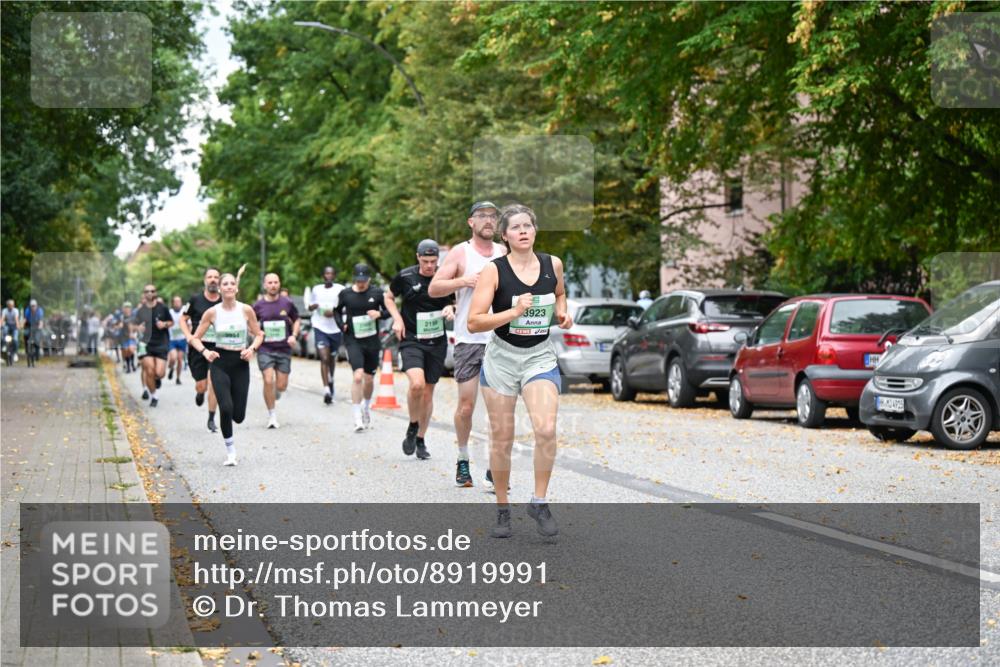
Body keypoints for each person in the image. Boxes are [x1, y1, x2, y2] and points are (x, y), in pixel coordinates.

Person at [468, 204, 573, 539]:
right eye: (515, 227)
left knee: (546, 429)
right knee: (502, 438)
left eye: (528, 225)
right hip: (502, 358)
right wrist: (513, 313)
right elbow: (474, 321)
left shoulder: (552, 264)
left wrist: (562, 313)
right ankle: (502, 509)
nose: (523, 231)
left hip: (539, 356)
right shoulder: (494, 271)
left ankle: (539, 502)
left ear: (535, 230)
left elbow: (559, 293)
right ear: (505, 236)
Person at [429, 201, 507, 488]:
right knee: (466, 406)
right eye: (482, 216)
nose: (488, 220)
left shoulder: (504, 252)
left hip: (499, 340)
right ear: (471, 222)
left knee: (498, 408)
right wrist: (464, 280)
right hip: (468, 340)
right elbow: (434, 287)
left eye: (493, 216)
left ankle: (494, 467)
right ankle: (463, 458)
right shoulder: (460, 252)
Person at [384, 240, 456, 462]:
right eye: (425, 261)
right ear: (417, 257)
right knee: (417, 384)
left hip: (437, 342)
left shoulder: (445, 278)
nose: (429, 266)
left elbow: (459, 302)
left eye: (433, 261)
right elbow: (388, 296)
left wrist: (451, 307)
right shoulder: (406, 276)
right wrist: (397, 319)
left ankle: (421, 439)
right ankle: (413, 425)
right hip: (412, 340)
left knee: (427, 392)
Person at [189, 267, 264, 466]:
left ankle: (231, 429)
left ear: (236, 288)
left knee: (238, 416)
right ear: (220, 289)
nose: (229, 286)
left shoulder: (246, 310)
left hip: (240, 364)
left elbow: (259, 334)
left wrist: (252, 349)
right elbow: (195, 338)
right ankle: (231, 452)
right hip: (220, 362)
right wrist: (205, 352)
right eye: (225, 284)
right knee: (226, 407)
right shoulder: (212, 312)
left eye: (232, 283)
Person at [334, 263, 390, 433]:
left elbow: (391, 310)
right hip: (353, 340)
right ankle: (357, 416)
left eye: (364, 281)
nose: (361, 284)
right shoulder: (345, 294)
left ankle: (366, 405)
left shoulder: (377, 293)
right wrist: (341, 325)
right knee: (358, 376)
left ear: (369, 279)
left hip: (372, 341)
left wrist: (379, 314)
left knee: (369, 379)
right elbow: (336, 311)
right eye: (358, 281)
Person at [252, 273, 300, 429]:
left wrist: (293, 335)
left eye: (275, 282)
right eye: (270, 282)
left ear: (279, 284)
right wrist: (256, 333)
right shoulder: (258, 305)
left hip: (283, 349)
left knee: (281, 386)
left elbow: (297, 319)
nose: (273, 285)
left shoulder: (287, 303)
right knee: (268, 380)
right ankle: (272, 415)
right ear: (265, 285)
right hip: (265, 349)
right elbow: (250, 322)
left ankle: (276, 391)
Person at [180, 268, 222, 432]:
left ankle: (211, 418)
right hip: (198, 348)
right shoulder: (195, 300)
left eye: (216, 277)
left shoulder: (225, 301)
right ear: (205, 280)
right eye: (210, 277)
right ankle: (200, 392)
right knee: (202, 386)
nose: (213, 279)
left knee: (214, 383)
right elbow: (183, 319)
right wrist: (188, 336)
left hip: (217, 348)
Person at [305, 266, 345, 405]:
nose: (329, 276)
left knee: (332, 358)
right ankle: (326, 390)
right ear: (323, 275)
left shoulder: (340, 289)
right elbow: (309, 306)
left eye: (331, 273)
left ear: (334, 276)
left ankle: (331, 378)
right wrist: (314, 306)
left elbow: (345, 307)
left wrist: (334, 312)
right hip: (320, 327)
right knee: (324, 358)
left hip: (335, 329)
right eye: (326, 273)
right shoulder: (317, 289)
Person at [133, 285, 173, 407]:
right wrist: (138, 328)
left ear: (155, 293)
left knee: (159, 373)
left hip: (161, 343)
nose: (150, 293)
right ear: (144, 294)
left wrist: (164, 324)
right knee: (149, 371)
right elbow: (134, 325)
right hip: (146, 344)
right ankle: (154, 395)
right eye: (147, 291)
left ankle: (157, 379)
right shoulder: (141, 310)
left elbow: (171, 322)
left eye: (152, 291)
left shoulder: (163, 308)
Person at [166, 296, 187, 384]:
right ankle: (171, 368)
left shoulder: (184, 312)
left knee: (179, 359)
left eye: (179, 301)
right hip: (172, 339)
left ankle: (178, 378)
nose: (177, 303)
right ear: (173, 303)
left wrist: (189, 336)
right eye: (176, 302)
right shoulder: (169, 312)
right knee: (173, 358)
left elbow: (189, 324)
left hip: (182, 339)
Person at [23, 299, 44, 365]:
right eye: (32, 306)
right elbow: (25, 319)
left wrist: (40, 326)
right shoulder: (27, 310)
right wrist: (22, 325)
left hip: (37, 326)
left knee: (37, 340)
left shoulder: (39, 311)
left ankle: (37, 355)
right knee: (25, 334)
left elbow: (41, 320)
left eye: (34, 306)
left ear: (36, 306)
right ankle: (27, 349)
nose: (33, 307)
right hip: (29, 325)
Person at [120, 303, 137, 372]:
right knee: (126, 351)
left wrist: (134, 334)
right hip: (124, 337)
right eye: (125, 308)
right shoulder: (121, 317)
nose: (127, 309)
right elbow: (119, 325)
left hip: (131, 336)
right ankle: (128, 366)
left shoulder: (134, 317)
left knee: (131, 350)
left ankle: (132, 363)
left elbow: (136, 326)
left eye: (128, 307)